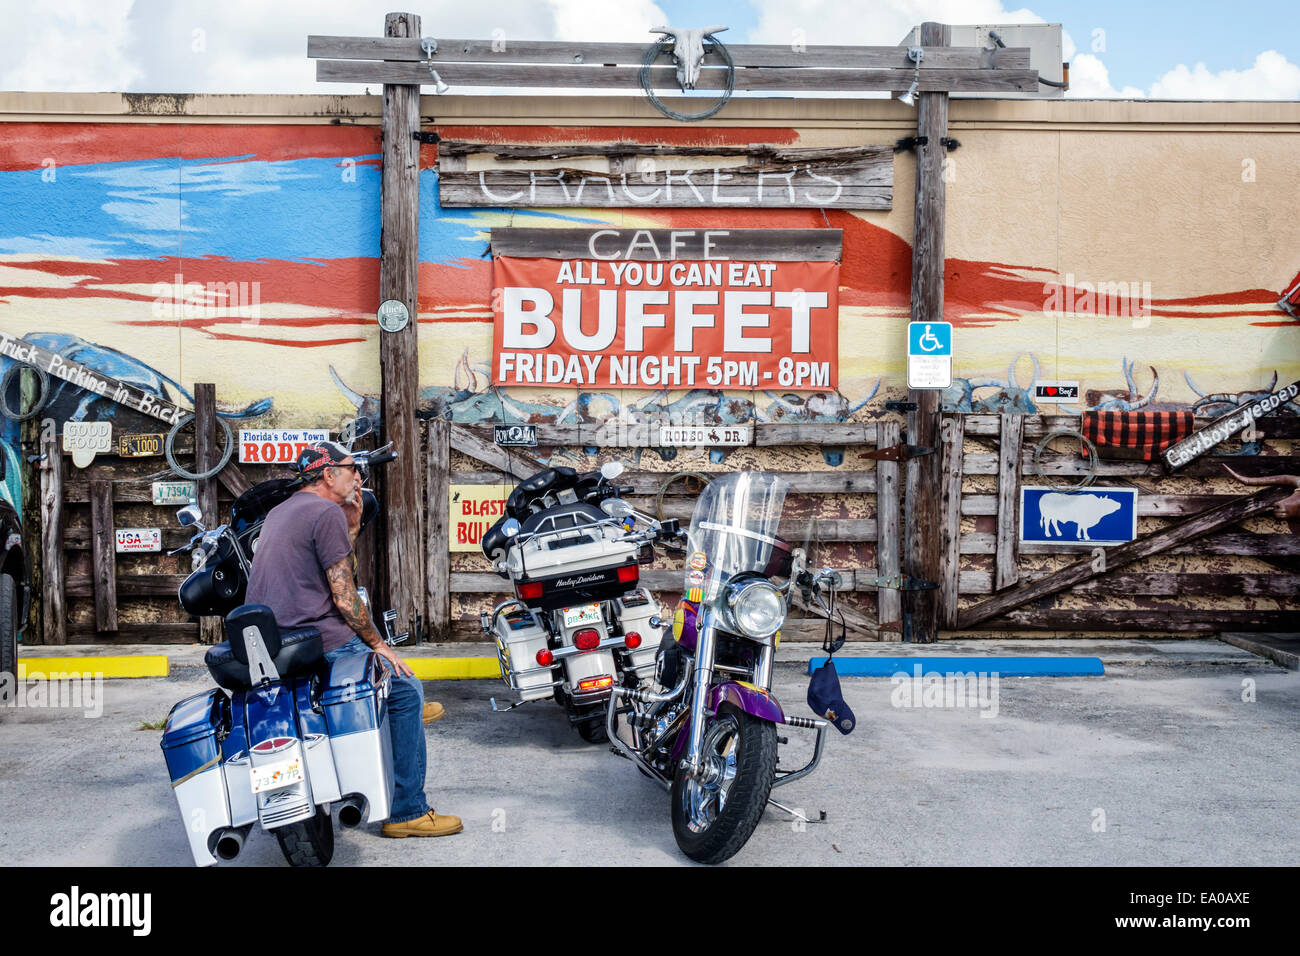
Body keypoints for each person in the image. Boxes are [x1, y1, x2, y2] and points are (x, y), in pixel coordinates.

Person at [245, 439, 462, 838]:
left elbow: (331, 566)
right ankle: (407, 812)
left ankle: (398, 716)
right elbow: (346, 597)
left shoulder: (282, 511)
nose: (359, 476)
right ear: (329, 474)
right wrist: (380, 646)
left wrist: (354, 525)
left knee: (401, 690)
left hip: (276, 640)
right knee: (405, 690)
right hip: (319, 638)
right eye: (352, 469)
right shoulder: (324, 511)